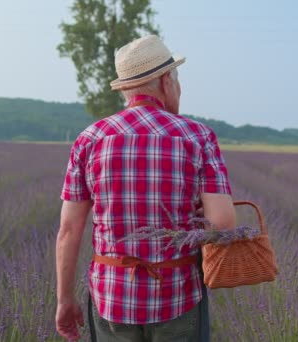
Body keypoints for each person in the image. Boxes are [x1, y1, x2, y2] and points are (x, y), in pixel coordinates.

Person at [56, 35, 236, 342]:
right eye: (177, 80)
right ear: (167, 81)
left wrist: (64, 301)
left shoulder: (90, 139)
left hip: (111, 297)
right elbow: (222, 224)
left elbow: (69, 231)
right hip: (178, 296)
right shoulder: (198, 137)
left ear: (126, 88)